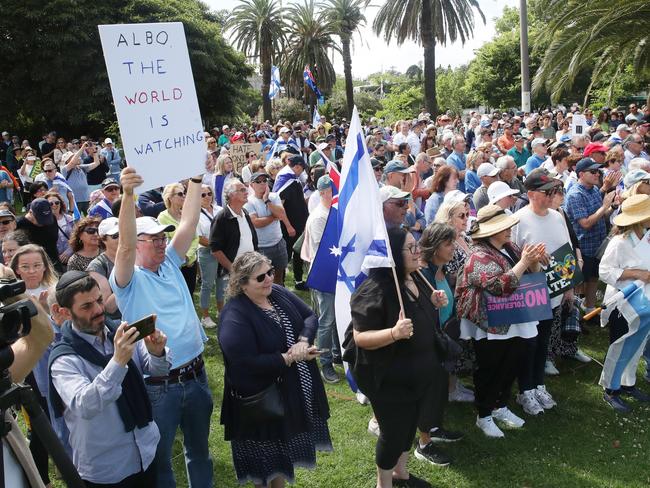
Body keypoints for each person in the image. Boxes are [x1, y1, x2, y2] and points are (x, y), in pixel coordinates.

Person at [110, 167, 213, 487]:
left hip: (197, 375)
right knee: (160, 458)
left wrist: (195, 181)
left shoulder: (169, 260)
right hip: (160, 384)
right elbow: (124, 247)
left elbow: (189, 223)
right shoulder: (126, 281)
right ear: (136, 244)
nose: (160, 242)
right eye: (151, 239)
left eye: (161, 237)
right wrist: (128, 195)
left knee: (200, 451)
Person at [218, 251, 331, 487]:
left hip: (288, 394)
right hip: (260, 403)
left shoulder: (277, 293)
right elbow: (244, 363)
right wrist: (287, 358)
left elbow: (309, 316)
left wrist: (302, 341)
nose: (269, 278)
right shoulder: (235, 314)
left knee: (280, 458)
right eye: (260, 278)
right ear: (242, 284)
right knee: (264, 465)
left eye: (269, 272)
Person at [49, 271, 169, 486]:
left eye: (99, 300)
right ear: (66, 313)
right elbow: (85, 405)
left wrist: (156, 352)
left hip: (145, 450)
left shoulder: (118, 331)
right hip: (106, 468)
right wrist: (118, 362)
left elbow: (157, 371)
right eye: (86, 306)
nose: (98, 310)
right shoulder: (63, 360)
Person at [349, 227, 447, 488]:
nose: (418, 252)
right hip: (389, 378)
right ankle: (384, 484)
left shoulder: (416, 278)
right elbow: (360, 338)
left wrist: (434, 302)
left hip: (418, 374)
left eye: (417, 246)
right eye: (411, 248)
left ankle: (401, 474)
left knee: (409, 426)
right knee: (392, 434)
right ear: (392, 254)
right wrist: (393, 333)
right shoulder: (373, 290)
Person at [456, 205, 545, 438]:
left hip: (514, 316)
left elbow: (531, 276)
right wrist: (525, 262)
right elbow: (498, 286)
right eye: (504, 227)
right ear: (490, 231)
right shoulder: (478, 256)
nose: (510, 230)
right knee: (491, 367)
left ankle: (500, 405)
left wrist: (533, 260)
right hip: (491, 323)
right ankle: (484, 415)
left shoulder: (510, 247)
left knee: (512, 363)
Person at [511, 169, 571, 415]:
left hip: (554, 291)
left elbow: (566, 251)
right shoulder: (518, 219)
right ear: (532, 194)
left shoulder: (557, 217)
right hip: (530, 292)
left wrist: (568, 289)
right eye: (548, 192)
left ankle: (538, 384)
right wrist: (531, 258)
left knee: (543, 340)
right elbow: (511, 256)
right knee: (529, 343)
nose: (552, 196)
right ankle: (525, 390)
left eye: (554, 191)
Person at [599, 195, 650, 413]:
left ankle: (628, 383)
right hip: (623, 302)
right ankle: (611, 389)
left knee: (637, 345)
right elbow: (604, 271)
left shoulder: (647, 238)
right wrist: (636, 273)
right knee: (620, 345)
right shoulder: (619, 243)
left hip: (645, 302)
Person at [564, 158, 617, 314]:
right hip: (584, 246)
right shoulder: (575, 195)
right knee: (579, 283)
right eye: (593, 172)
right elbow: (585, 223)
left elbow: (600, 215)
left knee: (593, 278)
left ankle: (589, 310)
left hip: (596, 244)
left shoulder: (594, 189)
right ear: (581, 174)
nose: (597, 174)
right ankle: (573, 315)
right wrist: (605, 206)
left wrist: (612, 207)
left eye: (598, 171)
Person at [302, 175, 341, 383]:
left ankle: (336, 353)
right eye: (331, 190)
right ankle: (325, 362)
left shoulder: (330, 212)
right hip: (323, 274)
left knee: (334, 317)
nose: (334, 194)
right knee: (326, 321)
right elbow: (323, 248)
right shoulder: (319, 217)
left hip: (332, 273)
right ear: (323, 193)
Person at [245, 172, 291, 285]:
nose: (262, 184)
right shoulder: (249, 202)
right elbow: (256, 223)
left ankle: (279, 298)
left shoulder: (274, 196)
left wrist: (267, 200)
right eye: (258, 181)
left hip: (278, 243)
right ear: (251, 185)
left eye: (264, 181)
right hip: (262, 247)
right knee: (264, 279)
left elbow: (281, 214)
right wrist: (273, 216)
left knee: (279, 276)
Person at [211, 178, 258, 285]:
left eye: (245, 189)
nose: (246, 192)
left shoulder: (245, 212)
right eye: (242, 190)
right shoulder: (221, 218)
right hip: (235, 273)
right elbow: (215, 249)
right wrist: (233, 270)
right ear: (231, 195)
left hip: (251, 267)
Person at [157, 182, 200, 295]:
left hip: (190, 262)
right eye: (180, 194)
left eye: (185, 193)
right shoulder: (162, 217)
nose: (184, 196)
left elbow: (195, 238)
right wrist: (181, 258)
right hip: (174, 264)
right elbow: (167, 241)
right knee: (178, 294)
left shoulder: (186, 215)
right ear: (170, 197)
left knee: (189, 293)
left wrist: (188, 256)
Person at [196, 184, 222, 327]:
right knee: (207, 284)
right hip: (207, 252)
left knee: (221, 281)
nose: (207, 197)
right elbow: (199, 237)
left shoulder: (220, 209)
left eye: (209, 193)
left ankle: (221, 310)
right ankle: (205, 317)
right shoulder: (196, 214)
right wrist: (217, 246)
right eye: (203, 195)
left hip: (222, 251)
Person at [17, 197, 62, 271]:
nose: (44, 223)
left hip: (54, 264)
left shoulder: (52, 218)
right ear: (30, 213)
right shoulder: (20, 225)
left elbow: (53, 240)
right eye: (40, 219)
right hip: (33, 267)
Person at [45, 191, 74, 265]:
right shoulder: (43, 223)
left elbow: (77, 238)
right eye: (51, 203)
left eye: (57, 202)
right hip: (54, 261)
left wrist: (69, 251)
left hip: (72, 257)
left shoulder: (69, 219)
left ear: (60, 204)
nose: (54, 205)